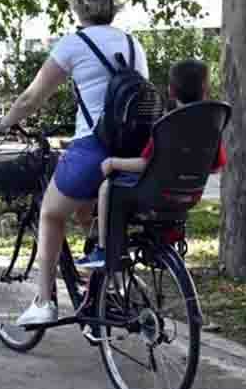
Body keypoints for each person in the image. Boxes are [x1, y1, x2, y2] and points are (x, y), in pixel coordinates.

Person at [0, 0, 149, 326]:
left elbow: (32, 97)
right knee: (83, 213)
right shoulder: (134, 44)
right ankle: (100, 290)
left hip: (93, 147)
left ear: (78, 5)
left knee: (50, 212)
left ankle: (44, 301)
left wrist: (2, 123)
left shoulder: (75, 44)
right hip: (133, 151)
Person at [76, 59, 227, 268]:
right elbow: (217, 166)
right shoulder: (211, 123)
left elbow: (146, 163)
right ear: (206, 90)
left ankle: (107, 251)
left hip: (154, 194)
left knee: (109, 189)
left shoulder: (168, 125)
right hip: (191, 195)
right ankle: (165, 245)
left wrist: (112, 163)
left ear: (171, 90)